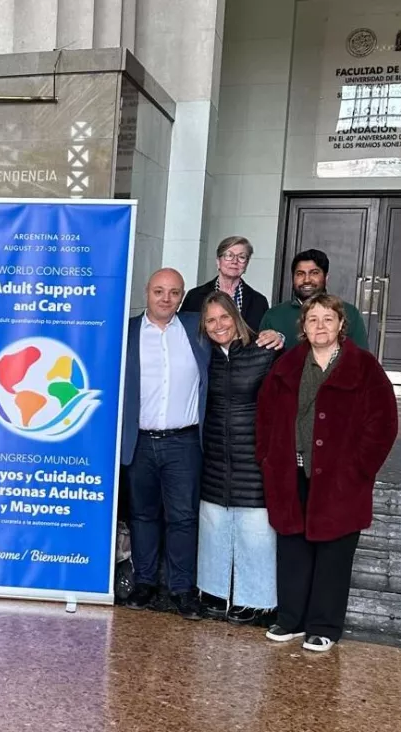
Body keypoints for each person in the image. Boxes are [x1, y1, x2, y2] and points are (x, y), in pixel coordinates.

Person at [256, 294, 398, 652]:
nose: (320, 326)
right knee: (292, 549)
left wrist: (359, 468)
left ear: (340, 325)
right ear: (302, 326)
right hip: (292, 473)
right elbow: (266, 418)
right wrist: (269, 459)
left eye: (328, 319)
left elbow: (383, 424)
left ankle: (324, 626)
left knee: (333, 554)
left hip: (340, 479)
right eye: (313, 319)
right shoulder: (286, 366)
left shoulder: (364, 367)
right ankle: (291, 619)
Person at [121, 268, 211, 620]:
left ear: (183, 295)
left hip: (184, 442)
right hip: (139, 441)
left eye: (174, 292)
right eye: (159, 291)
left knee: (184, 518)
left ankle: (182, 589)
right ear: (147, 292)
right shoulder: (127, 332)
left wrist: (273, 333)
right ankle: (144, 583)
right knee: (142, 515)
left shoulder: (196, 328)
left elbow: (236, 334)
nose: (166, 299)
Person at [196, 292, 277, 625]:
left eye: (224, 317)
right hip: (215, 452)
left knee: (256, 530)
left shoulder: (264, 351)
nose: (219, 326)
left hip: (252, 453)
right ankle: (213, 592)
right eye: (211, 320)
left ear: (236, 317)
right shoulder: (204, 355)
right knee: (214, 525)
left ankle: (256, 600)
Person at [257, 249, 368, 350]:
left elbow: (362, 360)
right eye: (300, 274)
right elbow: (260, 362)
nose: (306, 280)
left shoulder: (347, 312)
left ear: (326, 277)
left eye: (314, 273)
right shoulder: (274, 315)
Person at [181, 236, 270, 331]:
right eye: (229, 255)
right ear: (218, 261)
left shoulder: (259, 301)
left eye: (241, 257)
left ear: (246, 264)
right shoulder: (194, 296)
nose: (235, 261)